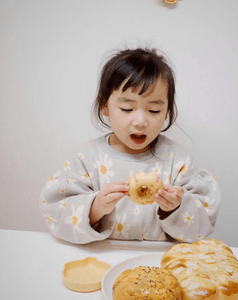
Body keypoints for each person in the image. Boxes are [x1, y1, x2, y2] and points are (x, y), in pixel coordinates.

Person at [39, 47, 221, 244]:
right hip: (102, 259)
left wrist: (175, 208)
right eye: (127, 108)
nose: (141, 121)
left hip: (158, 262)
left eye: (154, 110)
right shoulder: (86, 158)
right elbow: (57, 213)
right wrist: (95, 207)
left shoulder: (179, 161)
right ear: (105, 106)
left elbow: (203, 224)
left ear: (167, 111)